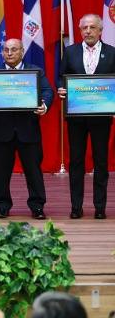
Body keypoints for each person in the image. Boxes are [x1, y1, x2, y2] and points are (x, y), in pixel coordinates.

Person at [0, 38, 53, 219]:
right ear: (2, 53)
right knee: (2, 172)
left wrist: (44, 105)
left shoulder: (35, 71)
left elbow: (48, 91)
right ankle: (2, 206)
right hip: (2, 131)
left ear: (22, 51)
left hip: (29, 130)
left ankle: (37, 206)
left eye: (14, 49)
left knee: (33, 171)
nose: (9, 53)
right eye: (6, 50)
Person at [58, 14, 115, 219]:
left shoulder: (112, 53)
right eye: (84, 28)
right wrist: (61, 89)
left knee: (101, 161)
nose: (88, 31)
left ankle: (100, 207)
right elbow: (61, 77)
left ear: (100, 30)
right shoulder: (70, 52)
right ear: (80, 30)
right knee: (76, 161)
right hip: (76, 117)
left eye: (92, 27)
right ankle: (76, 207)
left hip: (101, 117)